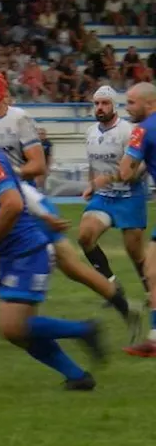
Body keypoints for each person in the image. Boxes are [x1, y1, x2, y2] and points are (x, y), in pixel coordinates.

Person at [0, 101, 103, 389]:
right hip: (14, 253)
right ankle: (78, 377)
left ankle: (84, 330)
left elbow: (13, 204)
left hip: (27, 252)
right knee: (16, 331)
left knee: (12, 327)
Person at [0, 70, 127, 313]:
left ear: (1, 91)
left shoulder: (19, 118)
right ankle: (20, 310)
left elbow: (38, 166)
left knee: (70, 267)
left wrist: (5, 176)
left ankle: (115, 302)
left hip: (24, 202)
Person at [78, 87, 148, 299]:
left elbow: (140, 168)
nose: (100, 107)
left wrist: (111, 178)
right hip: (104, 197)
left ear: (114, 105)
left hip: (129, 197)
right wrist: (92, 184)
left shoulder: (128, 131)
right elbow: (94, 165)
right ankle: (112, 286)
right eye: (97, 103)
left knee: (135, 254)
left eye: (105, 103)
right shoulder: (90, 132)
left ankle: (150, 292)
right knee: (85, 236)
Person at [119, 83, 156, 356]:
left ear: (149, 103)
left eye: (132, 103)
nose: (127, 108)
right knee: (153, 271)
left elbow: (124, 172)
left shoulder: (142, 130)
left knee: (153, 271)